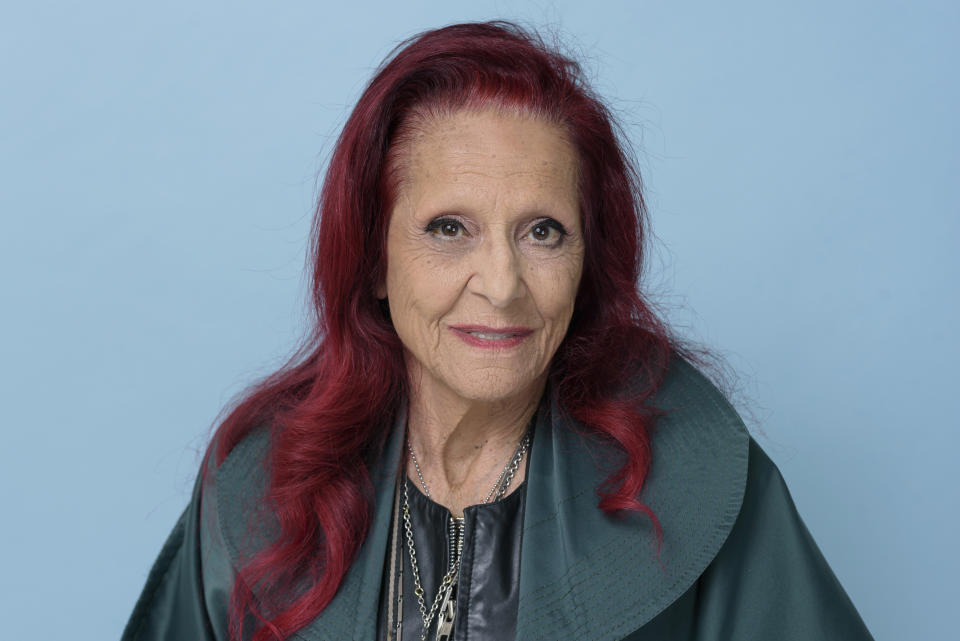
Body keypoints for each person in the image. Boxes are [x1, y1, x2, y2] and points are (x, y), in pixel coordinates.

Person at [122, 21, 874, 641]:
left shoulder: (697, 479)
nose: (503, 283)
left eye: (543, 232)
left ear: (588, 261)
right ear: (376, 259)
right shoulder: (256, 486)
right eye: (449, 228)